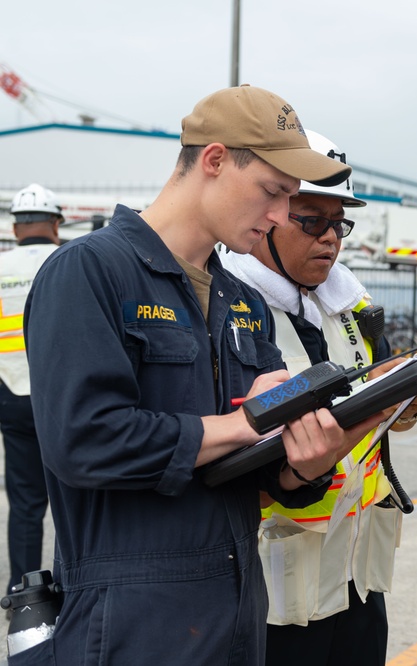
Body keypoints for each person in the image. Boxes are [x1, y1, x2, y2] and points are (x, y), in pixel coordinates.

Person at [22, 85, 392, 665]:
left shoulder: (241, 301)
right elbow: (85, 442)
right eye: (273, 193)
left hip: (238, 617)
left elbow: (260, 477)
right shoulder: (89, 273)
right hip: (131, 624)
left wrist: (307, 467)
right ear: (215, 161)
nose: (277, 216)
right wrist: (244, 424)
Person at [222, 129, 417, 666]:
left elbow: (377, 397)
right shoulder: (225, 314)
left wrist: (404, 406)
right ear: (268, 213)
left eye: (339, 223)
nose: (330, 239)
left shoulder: (349, 303)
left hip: (356, 579)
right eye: (312, 221)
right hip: (276, 596)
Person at [0, 184, 63, 594]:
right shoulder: (70, 260)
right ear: (56, 224)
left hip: (11, 394)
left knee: (24, 501)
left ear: (15, 227)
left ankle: (24, 590)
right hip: (63, 396)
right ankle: (75, 581)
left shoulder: (1, 267)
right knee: (74, 497)